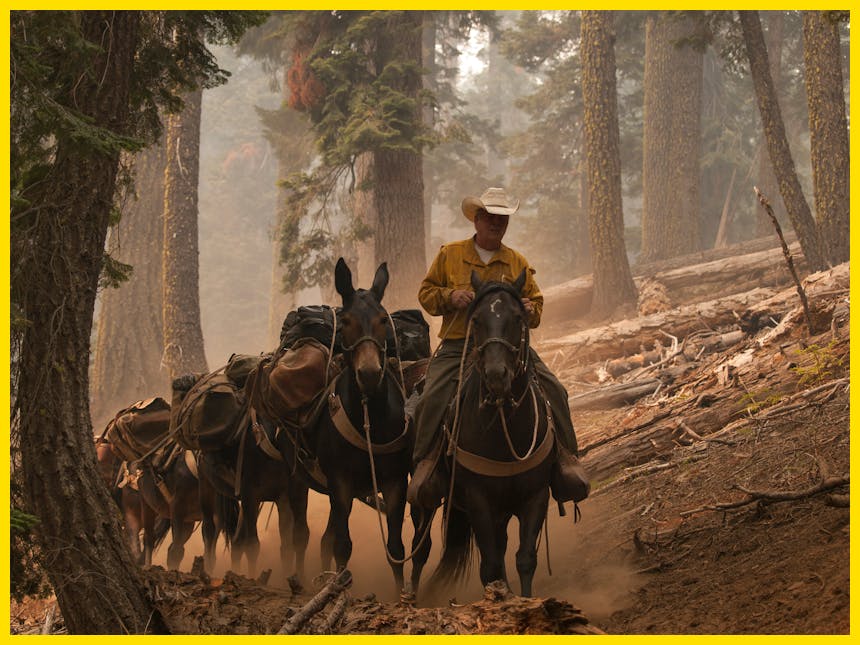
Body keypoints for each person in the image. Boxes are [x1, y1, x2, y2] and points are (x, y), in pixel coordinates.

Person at [408, 187, 589, 509]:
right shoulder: (450, 254)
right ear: (476, 220)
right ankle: (427, 463)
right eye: (490, 217)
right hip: (458, 344)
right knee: (431, 398)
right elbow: (426, 293)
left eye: (502, 218)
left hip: (507, 347)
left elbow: (536, 304)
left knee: (555, 390)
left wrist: (529, 309)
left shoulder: (516, 262)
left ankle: (566, 459)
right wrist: (449, 297)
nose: (496, 223)